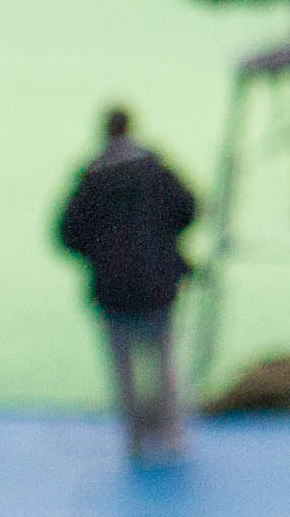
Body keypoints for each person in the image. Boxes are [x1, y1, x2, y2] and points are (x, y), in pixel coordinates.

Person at [54, 106, 199, 468]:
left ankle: (136, 435)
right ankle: (170, 431)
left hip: (112, 290)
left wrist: (101, 255)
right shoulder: (157, 170)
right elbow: (189, 208)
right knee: (163, 361)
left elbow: (66, 234)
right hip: (157, 284)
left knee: (124, 368)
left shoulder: (90, 178)